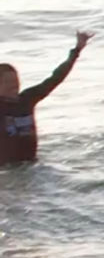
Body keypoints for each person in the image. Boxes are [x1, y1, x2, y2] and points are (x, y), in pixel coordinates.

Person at [1, 32, 93, 166]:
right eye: (8, 82)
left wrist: (76, 50)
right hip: (5, 171)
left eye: (15, 81)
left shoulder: (27, 99)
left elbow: (55, 78)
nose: (14, 86)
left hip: (30, 167)